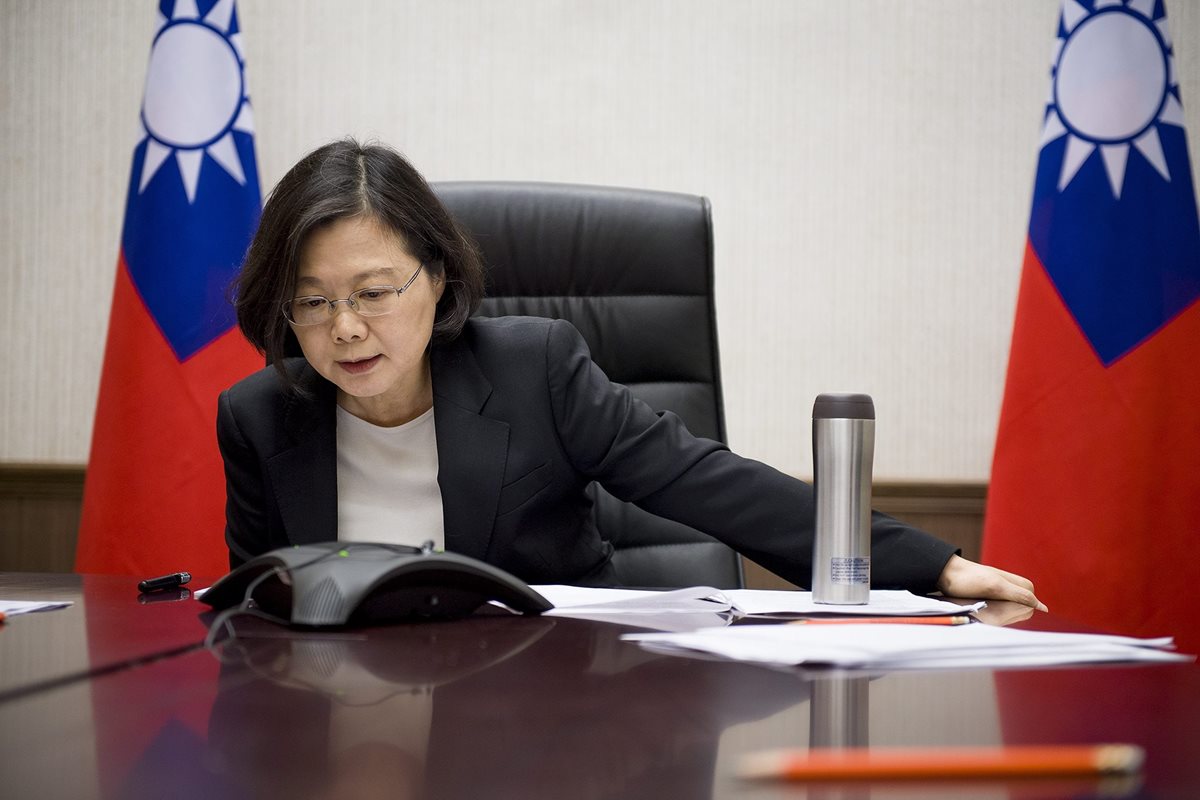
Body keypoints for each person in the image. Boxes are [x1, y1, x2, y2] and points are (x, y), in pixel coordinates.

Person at [218, 138, 1045, 610]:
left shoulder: (534, 367)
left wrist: (933, 566)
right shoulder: (259, 416)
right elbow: (261, 606)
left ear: (436, 277)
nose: (346, 328)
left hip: (553, 705)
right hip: (344, 723)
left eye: (371, 292)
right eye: (312, 303)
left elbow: (705, 482)